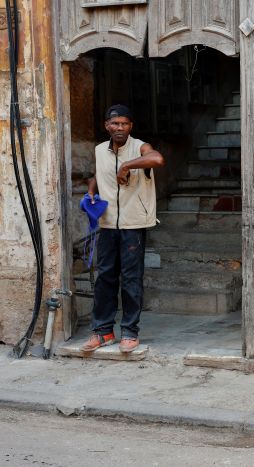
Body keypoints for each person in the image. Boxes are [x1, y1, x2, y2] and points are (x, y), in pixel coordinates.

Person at [80, 104, 165, 353]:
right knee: (105, 277)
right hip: (107, 223)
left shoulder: (140, 147)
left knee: (130, 279)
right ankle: (103, 331)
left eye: (124, 124)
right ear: (107, 125)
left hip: (133, 223)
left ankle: (130, 332)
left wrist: (126, 166)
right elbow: (99, 174)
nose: (120, 128)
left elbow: (157, 159)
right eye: (115, 124)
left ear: (131, 127)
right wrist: (91, 191)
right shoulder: (99, 150)